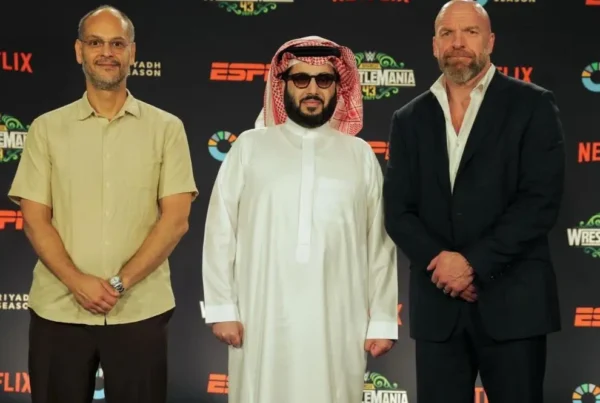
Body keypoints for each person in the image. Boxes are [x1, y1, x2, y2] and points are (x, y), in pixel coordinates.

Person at [7, 5, 197, 403]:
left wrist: (118, 283)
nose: (106, 52)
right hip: (59, 310)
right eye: (96, 43)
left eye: (117, 44)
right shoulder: (46, 129)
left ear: (132, 52)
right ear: (79, 51)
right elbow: (35, 219)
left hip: (139, 310)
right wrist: (78, 282)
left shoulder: (167, 128)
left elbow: (176, 220)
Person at [382, 1, 565, 402]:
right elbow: (398, 211)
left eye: (470, 32)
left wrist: (471, 264)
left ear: (490, 41)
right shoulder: (409, 118)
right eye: (447, 33)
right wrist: (442, 264)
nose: (458, 42)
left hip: (513, 304)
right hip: (438, 308)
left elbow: (540, 201)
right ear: (434, 44)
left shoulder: (532, 104)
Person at [202, 36, 398, 403]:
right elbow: (220, 231)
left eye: (324, 80)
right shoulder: (249, 147)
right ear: (283, 85)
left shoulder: (359, 155)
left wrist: (384, 319)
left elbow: (379, 245)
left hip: (340, 318)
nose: (312, 89)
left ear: (338, 87)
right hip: (260, 316)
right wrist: (222, 308)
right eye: (301, 79)